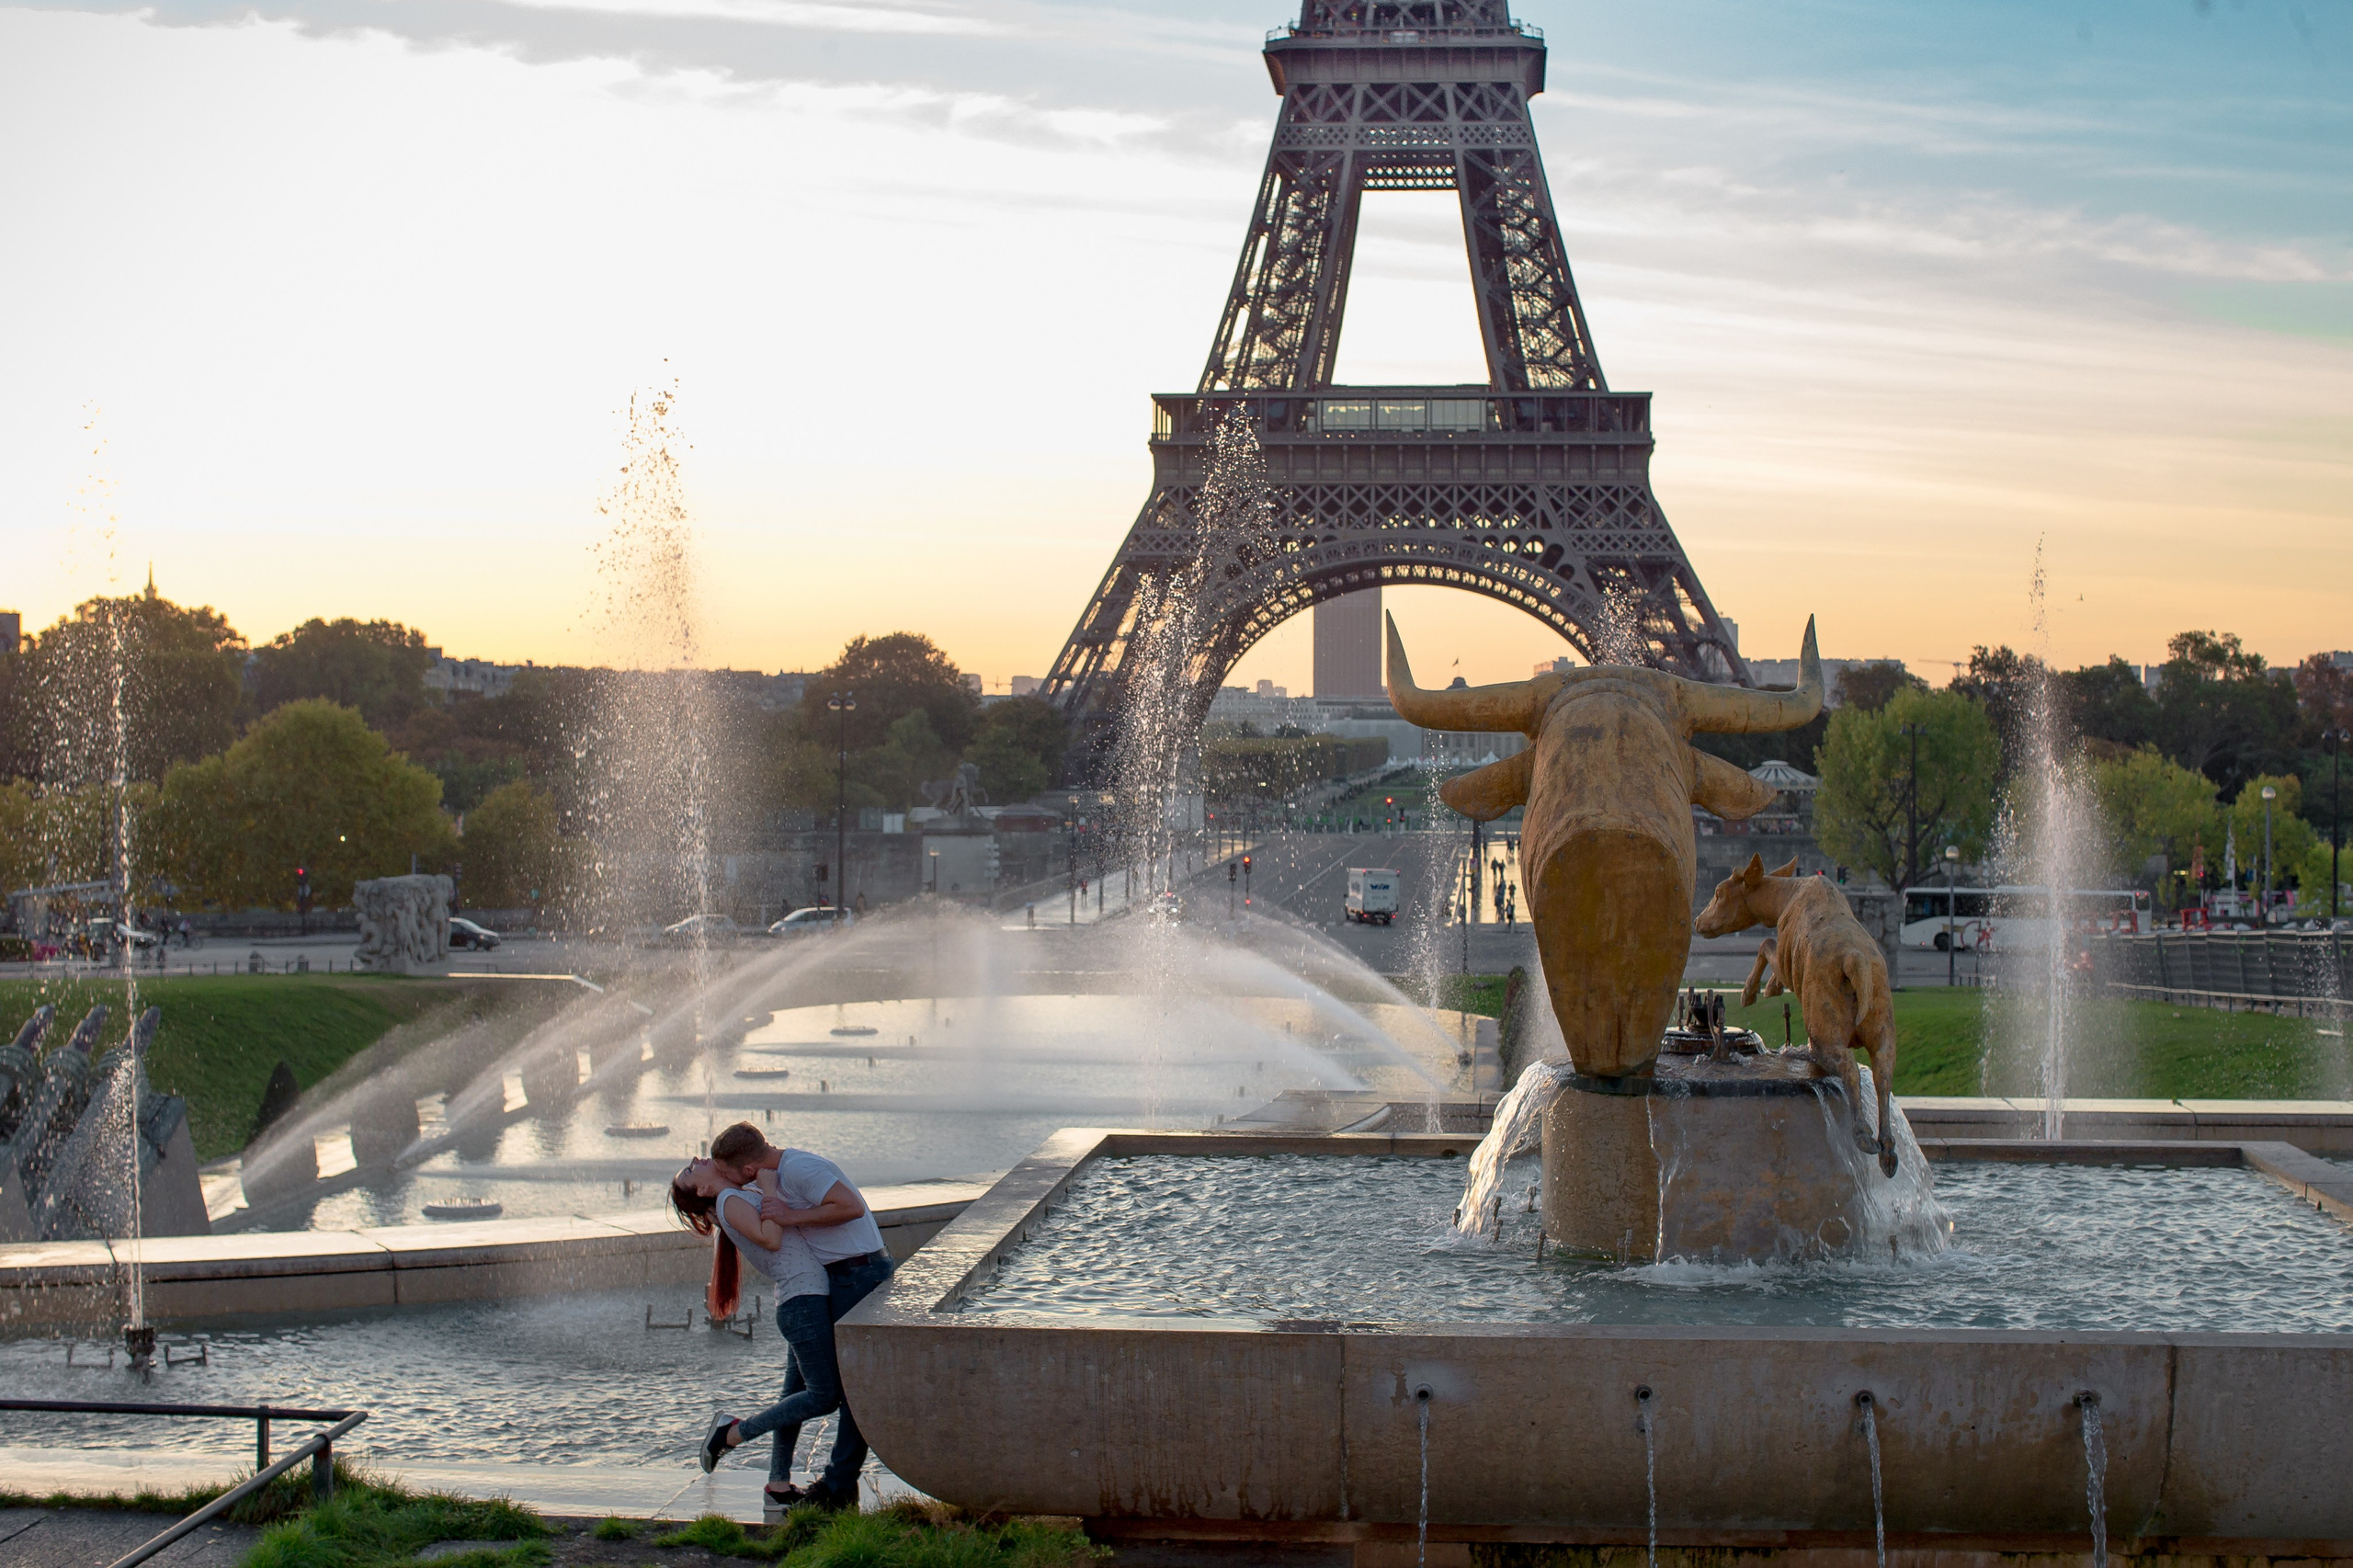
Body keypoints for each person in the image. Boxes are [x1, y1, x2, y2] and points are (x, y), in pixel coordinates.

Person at [706, 1122, 893, 1507]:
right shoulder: (773, 1178)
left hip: (858, 1275)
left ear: (747, 1170)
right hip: (832, 1279)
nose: (729, 1183)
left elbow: (851, 1207)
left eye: (728, 1175)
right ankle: (782, 1484)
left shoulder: (799, 1169)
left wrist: (788, 1217)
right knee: (799, 1388)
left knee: (851, 1389)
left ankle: (837, 1486)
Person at [670, 1160, 835, 1507]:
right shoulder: (729, 1201)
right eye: (689, 1171)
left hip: (803, 1299)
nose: (696, 1161)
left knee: (793, 1398)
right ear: (703, 1189)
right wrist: (770, 1189)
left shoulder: (734, 1197)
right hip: (803, 1302)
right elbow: (772, 1239)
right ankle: (732, 1433)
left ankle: (778, 1485)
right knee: (824, 1397)